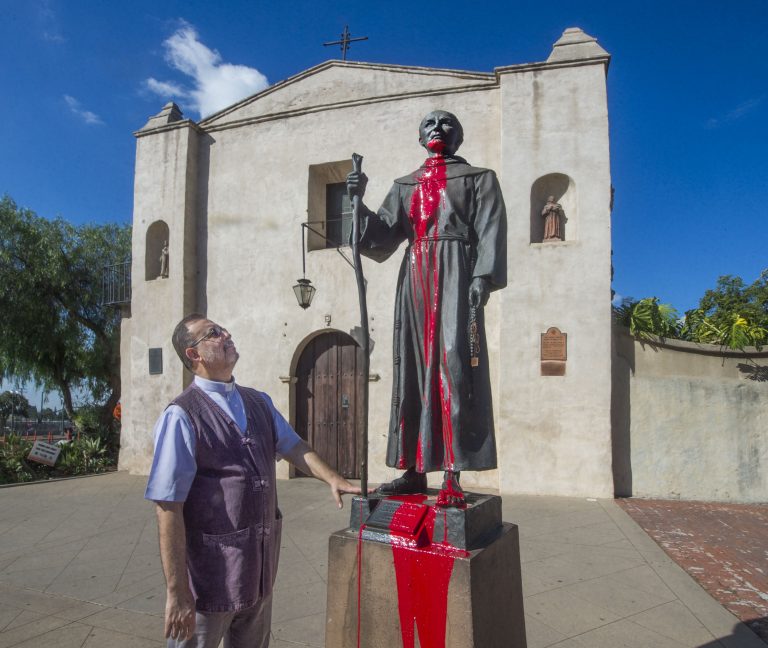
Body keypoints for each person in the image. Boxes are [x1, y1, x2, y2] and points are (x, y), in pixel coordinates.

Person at [145, 314, 361, 647]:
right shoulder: (181, 416)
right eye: (213, 334)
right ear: (193, 354)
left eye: (223, 329)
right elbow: (167, 506)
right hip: (208, 583)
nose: (226, 334)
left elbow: (293, 445)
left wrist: (332, 477)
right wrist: (177, 592)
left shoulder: (258, 402)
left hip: (257, 575)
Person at [346, 110, 507, 507]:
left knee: (454, 364)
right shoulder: (405, 185)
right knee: (412, 366)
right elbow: (383, 237)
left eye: (447, 122)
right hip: (415, 275)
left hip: (456, 270)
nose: (437, 127)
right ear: (420, 138)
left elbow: (490, 228)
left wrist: (481, 278)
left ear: (460, 137)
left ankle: (453, 470)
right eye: (429, 124)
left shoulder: (478, 178)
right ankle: (413, 469)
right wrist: (358, 201)